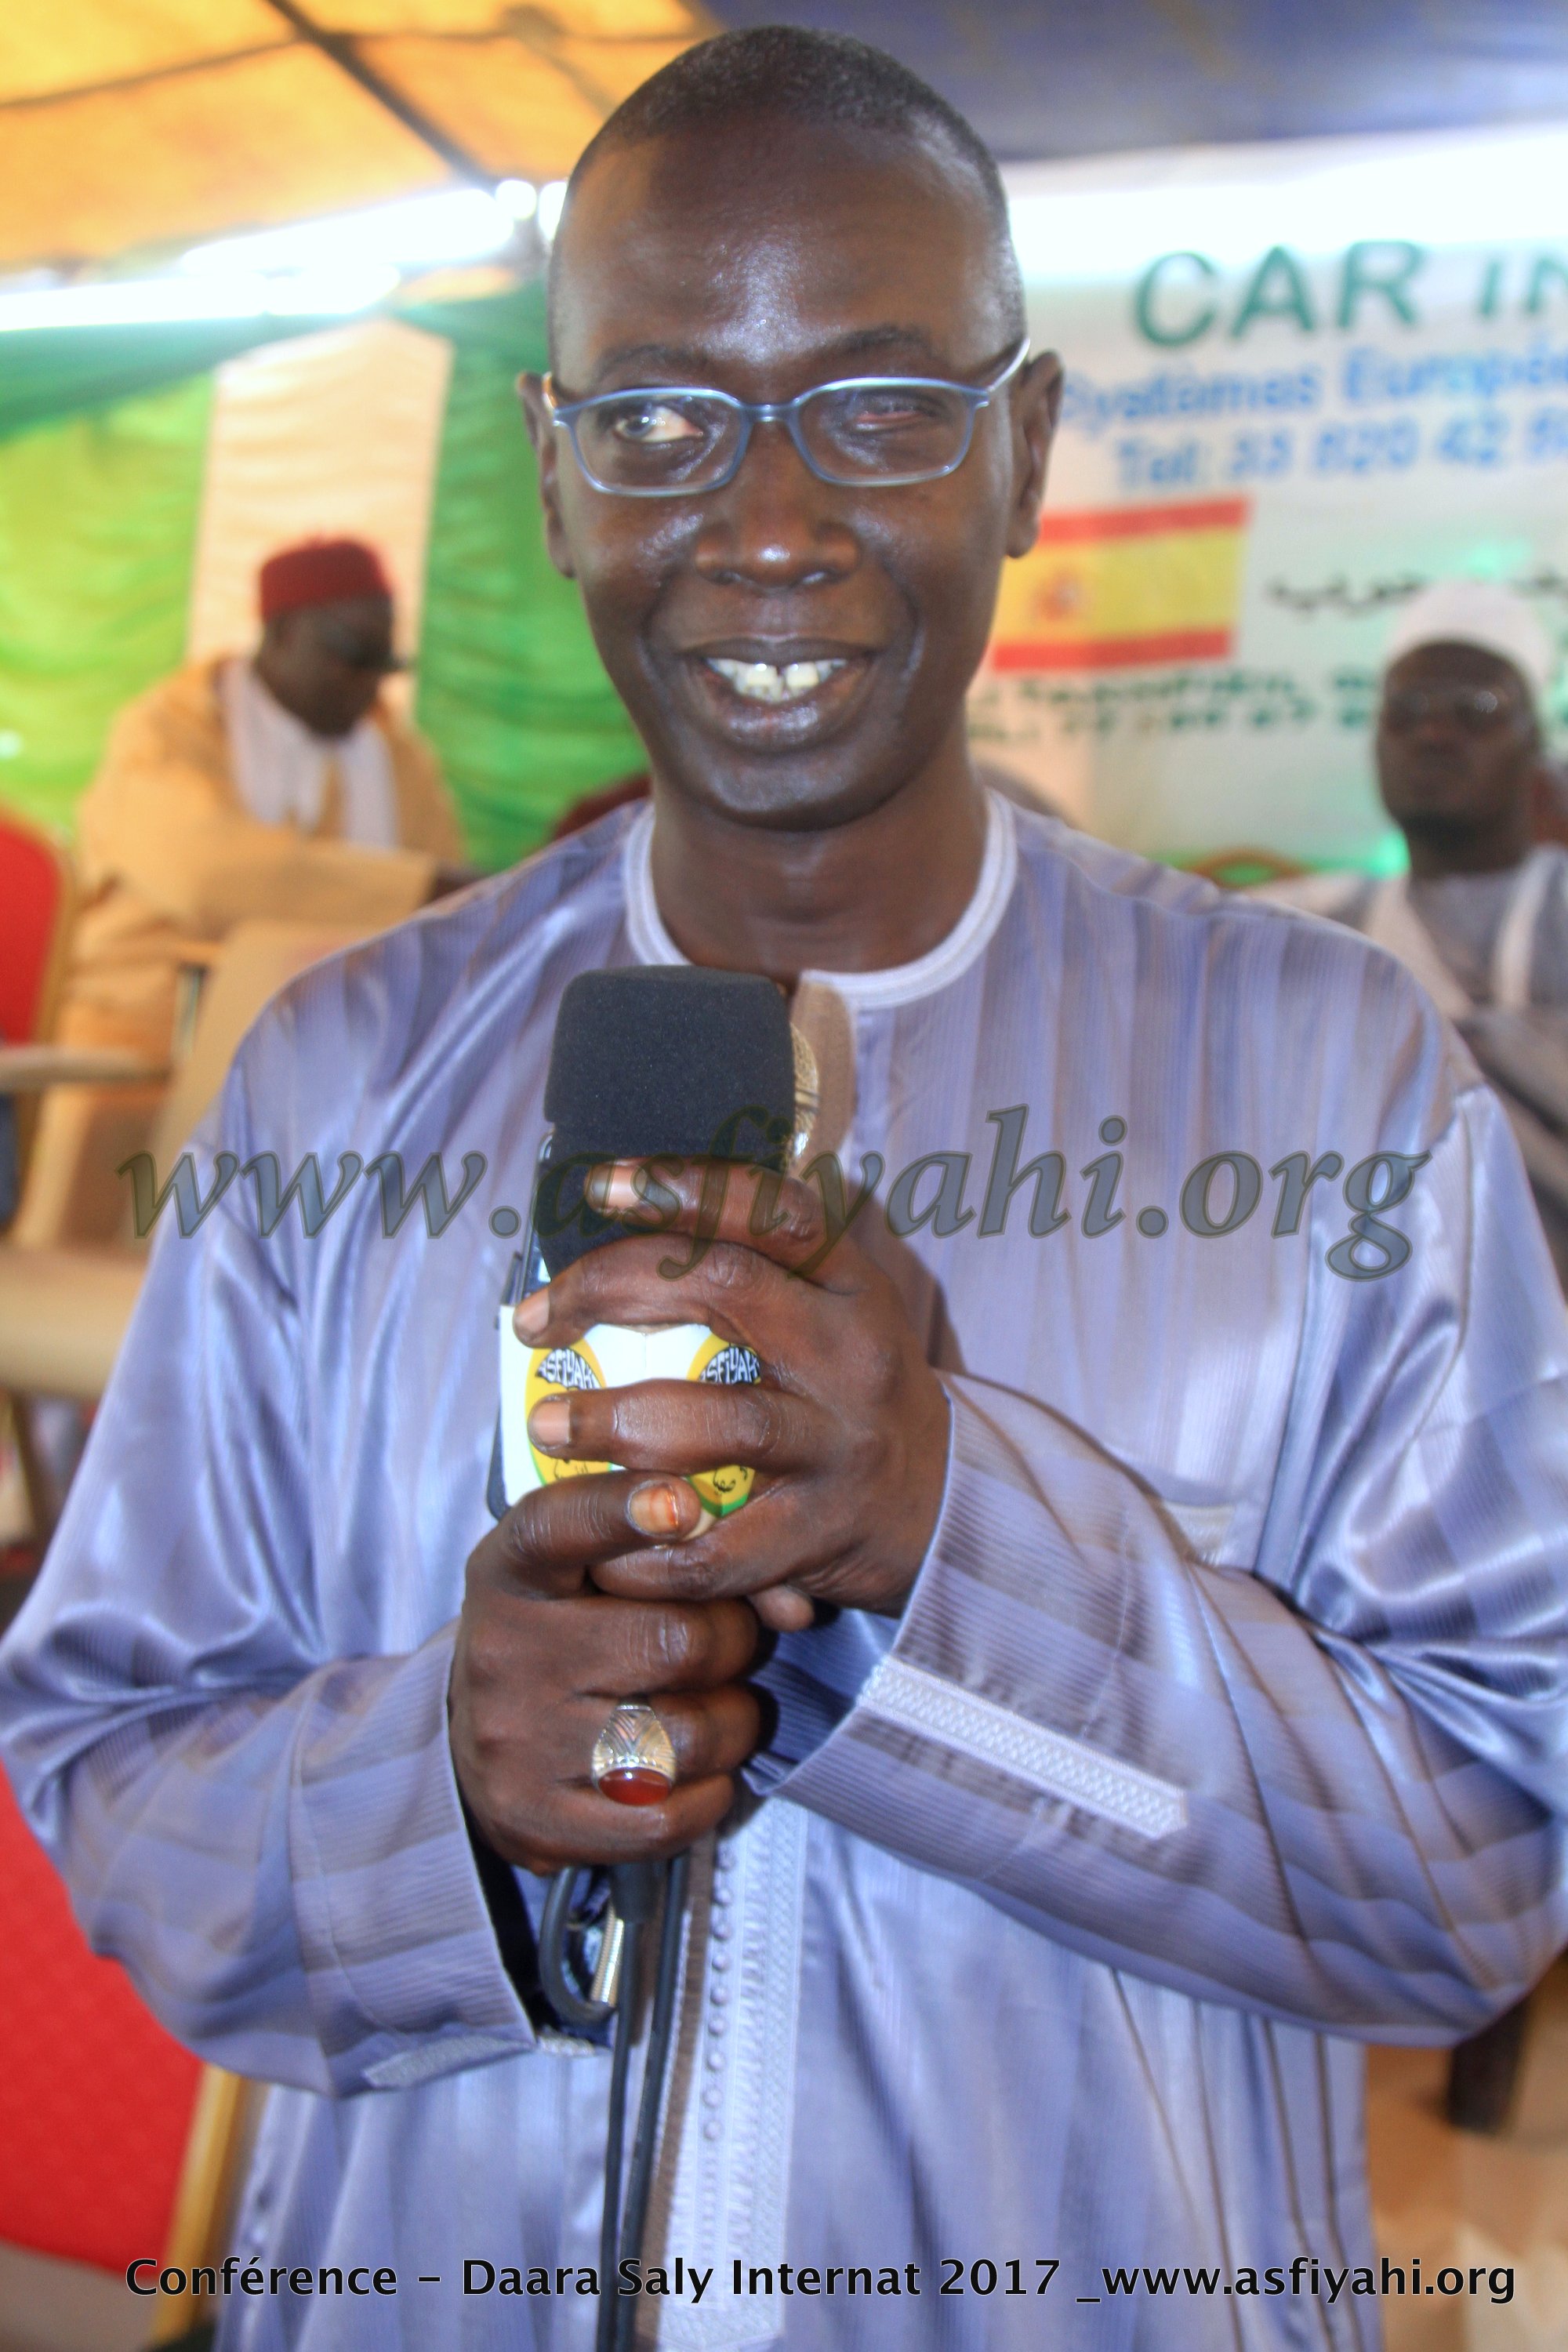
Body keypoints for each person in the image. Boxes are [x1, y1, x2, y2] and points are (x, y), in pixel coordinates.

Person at [3, 30, 1567, 2350]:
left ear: (1020, 448)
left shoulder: (1327, 1077)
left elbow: (1482, 1860)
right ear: (550, 473)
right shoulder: (338, 1071)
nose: (761, 518)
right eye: (656, 418)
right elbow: (114, 1758)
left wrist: (952, 1547)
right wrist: (426, 1780)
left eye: (876, 405)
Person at [13, 536, 466, 1244]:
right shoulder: (169, 726)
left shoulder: (395, 754)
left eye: (386, 662)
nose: (369, 683)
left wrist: (430, 895)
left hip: (327, 1058)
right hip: (142, 1046)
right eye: (350, 655)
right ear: (279, 634)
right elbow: (207, 873)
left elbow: (451, 909)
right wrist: (411, 888)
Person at [1260, 582, 1568, 1283]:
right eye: (1406, 710)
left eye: (1478, 709)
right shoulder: (1314, 923)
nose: (1434, 732)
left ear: (1535, 744)